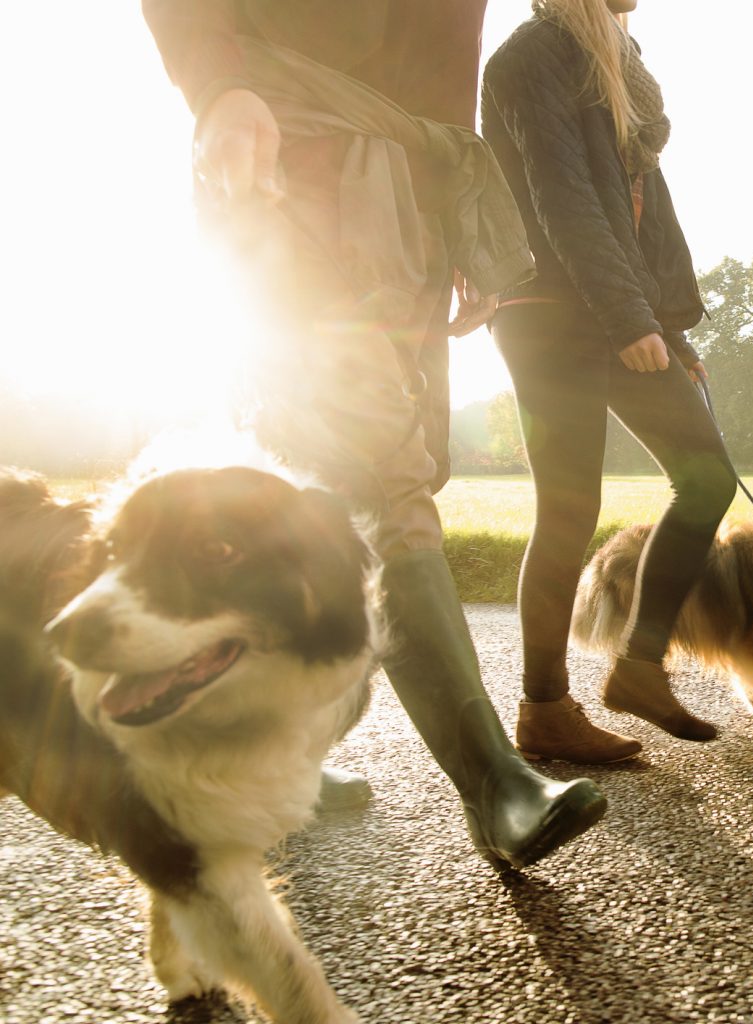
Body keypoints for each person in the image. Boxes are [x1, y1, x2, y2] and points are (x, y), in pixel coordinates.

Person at [141, 0, 607, 871]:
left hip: (412, 189)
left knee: (341, 486)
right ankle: (493, 783)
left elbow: (446, 43)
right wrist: (216, 82)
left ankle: (261, 756)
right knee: (378, 472)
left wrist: (451, 206)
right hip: (294, 150)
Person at [480, 0, 737, 762]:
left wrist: (670, 325)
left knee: (706, 477)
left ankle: (636, 669)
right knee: (568, 509)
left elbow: (638, 211)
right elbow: (563, 194)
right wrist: (629, 318)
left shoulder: (622, 65)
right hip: (549, 310)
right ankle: (548, 709)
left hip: (612, 304)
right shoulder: (533, 55)